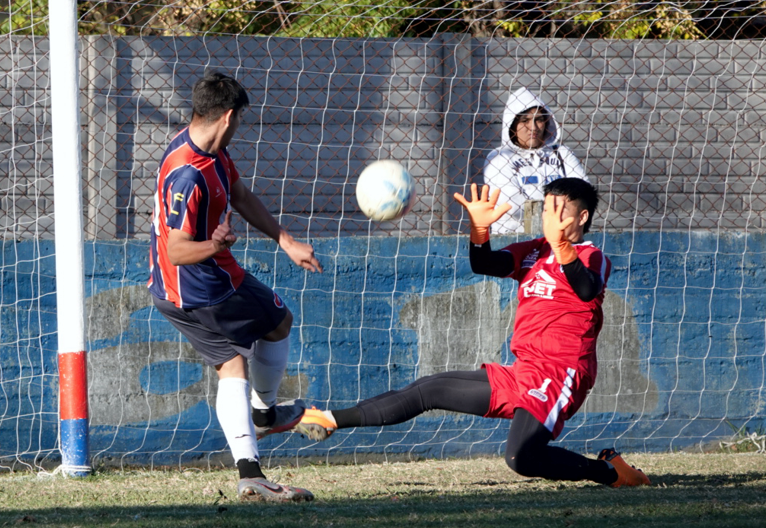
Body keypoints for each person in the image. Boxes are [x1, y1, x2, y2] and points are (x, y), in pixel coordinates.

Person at [295, 178, 650, 488]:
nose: (549, 217)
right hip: (523, 371)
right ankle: (329, 419)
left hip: (560, 375)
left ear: (582, 217)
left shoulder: (590, 255)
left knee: (521, 459)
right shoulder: (534, 251)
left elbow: (587, 290)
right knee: (429, 389)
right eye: (546, 209)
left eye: (560, 210)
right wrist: (479, 231)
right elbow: (484, 263)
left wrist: (562, 248)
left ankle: (609, 473)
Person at [148, 72, 322, 502]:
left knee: (258, 341)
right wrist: (216, 243)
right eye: (241, 116)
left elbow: (240, 195)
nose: (241, 124)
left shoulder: (207, 148)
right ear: (228, 116)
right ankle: (260, 434)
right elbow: (177, 250)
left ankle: (256, 448)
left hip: (182, 287)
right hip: (202, 286)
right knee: (258, 341)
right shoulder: (189, 176)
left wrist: (285, 241)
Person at [483, 87, 587, 235]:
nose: (533, 127)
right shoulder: (499, 157)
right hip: (514, 238)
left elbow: (583, 193)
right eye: (524, 121)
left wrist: (540, 207)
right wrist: (563, 209)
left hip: (562, 236)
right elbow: (512, 205)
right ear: (512, 125)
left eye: (538, 120)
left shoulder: (562, 154)